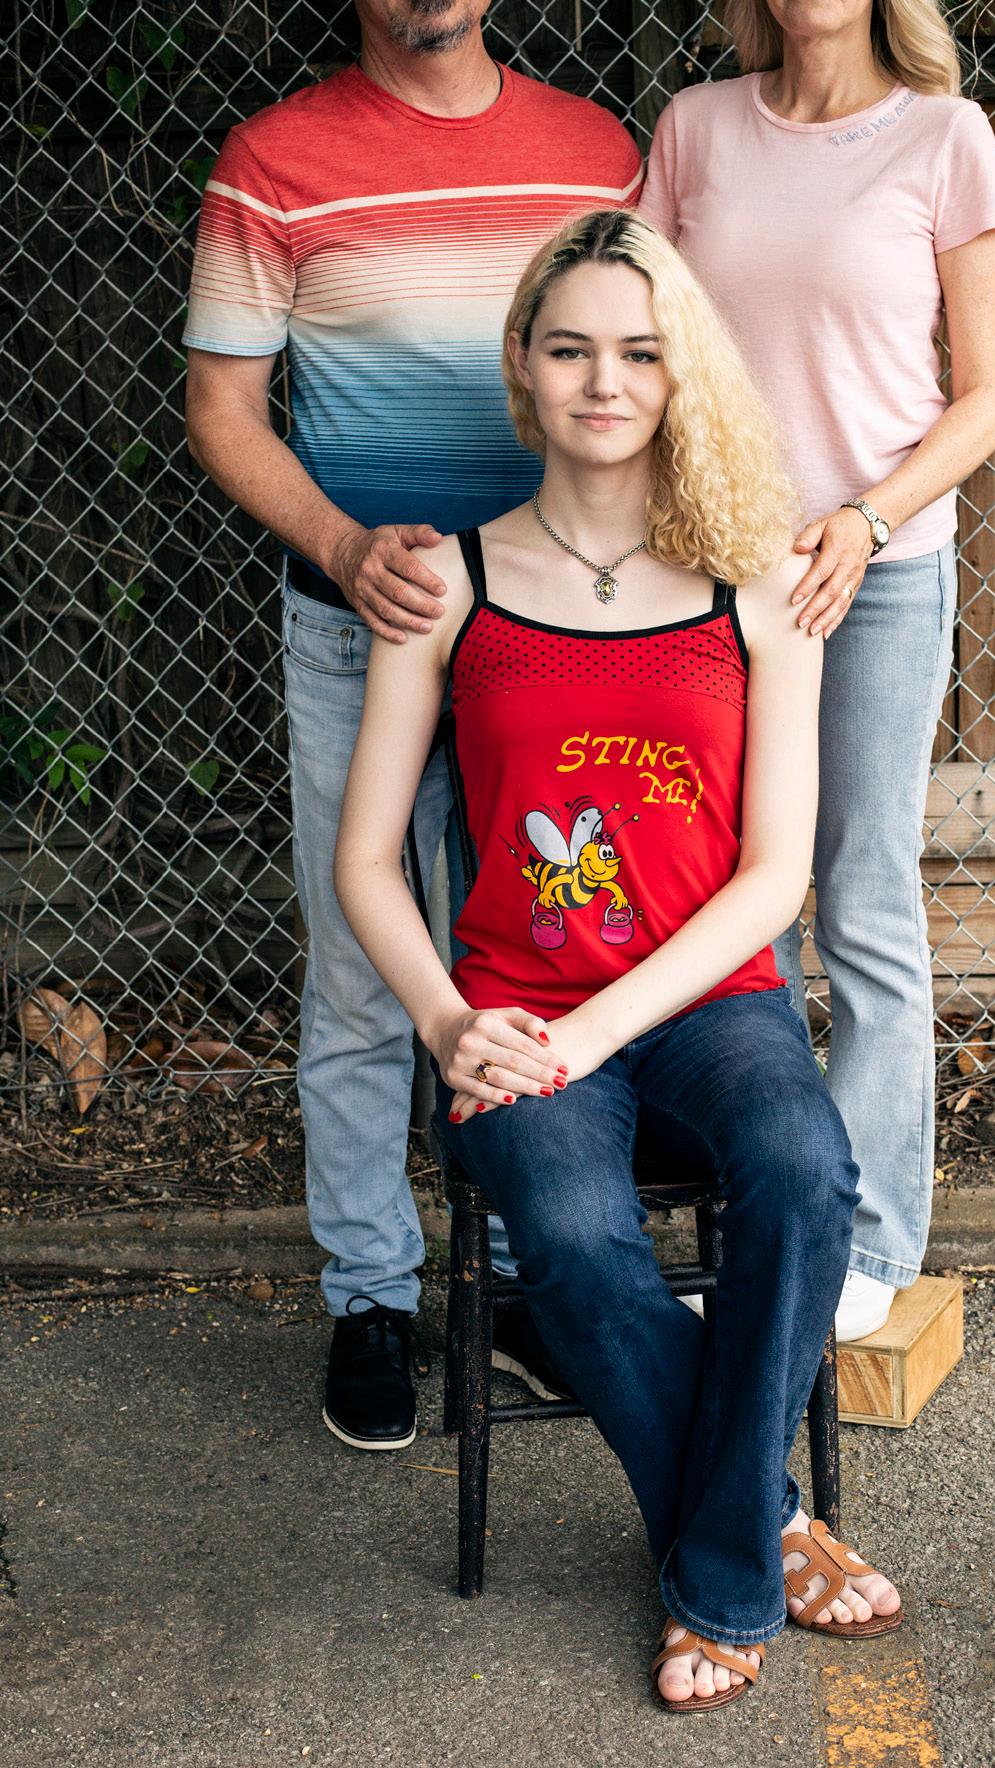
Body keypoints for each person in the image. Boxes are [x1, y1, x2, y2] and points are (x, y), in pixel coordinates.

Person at [334, 208, 902, 1711]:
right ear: (522, 366)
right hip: (513, 1014)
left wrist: (596, 1033)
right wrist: (449, 1023)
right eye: (572, 348)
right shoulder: (448, 585)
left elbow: (773, 875)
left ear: (679, 374)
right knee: (577, 1245)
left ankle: (718, 1567)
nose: (605, 381)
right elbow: (365, 859)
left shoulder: (756, 583)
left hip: (711, 1002)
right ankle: (764, 1529)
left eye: (641, 353)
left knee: (802, 1173)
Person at [183, 0, 643, 1450]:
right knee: (361, 969)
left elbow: (649, 373)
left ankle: (526, 1275)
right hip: (359, 623)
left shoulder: (596, 152)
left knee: (549, 945)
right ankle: (372, 1295)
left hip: (550, 642)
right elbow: (222, 408)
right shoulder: (275, 161)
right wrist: (339, 545)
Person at [639, 0, 995, 1341]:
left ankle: (867, 1240)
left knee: (859, 894)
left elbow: (988, 394)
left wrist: (864, 516)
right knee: (725, 902)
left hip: (879, 571)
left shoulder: (945, 137)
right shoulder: (694, 130)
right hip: (709, 576)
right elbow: (637, 340)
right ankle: (754, 1218)